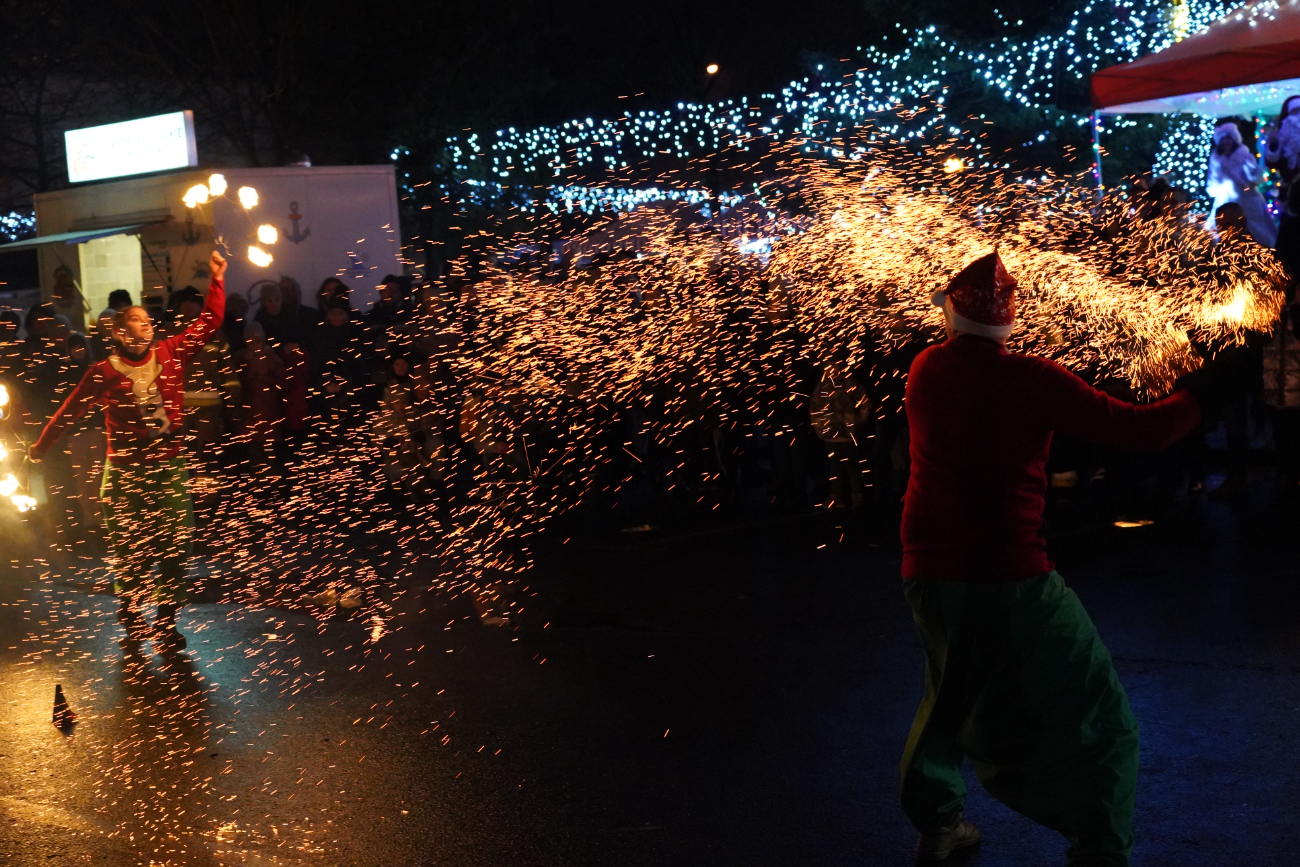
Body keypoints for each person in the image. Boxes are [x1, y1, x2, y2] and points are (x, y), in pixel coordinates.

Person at [898, 252, 1204, 864]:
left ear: (952, 314)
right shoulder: (1034, 379)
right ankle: (1101, 845)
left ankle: (939, 820)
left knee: (948, 691)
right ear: (1010, 317)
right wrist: (1199, 394)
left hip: (928, 570)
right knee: (1101, 710)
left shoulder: (926, 368)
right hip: (1010, 575)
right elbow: (1142, 431)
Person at [28, 250, 228, 650]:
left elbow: (210, 323)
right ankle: (133, 619)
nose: (146, 324)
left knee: (174, 544)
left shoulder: (172, 352)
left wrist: (217, 280)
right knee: (132, 552)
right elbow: (68, 413)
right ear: (120, 333)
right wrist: (38, 449)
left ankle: (167, 623)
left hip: (168, 469)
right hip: (124, 474)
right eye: (136, 320)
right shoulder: (101, 372)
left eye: (148, 319)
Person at [1206, 121, 1276, 247]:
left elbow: (1256, 176)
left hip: (1247, 198)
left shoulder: (1244, 155)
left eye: (1229, 138)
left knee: (1254, 228)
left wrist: (1249, 169)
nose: (1226, 142)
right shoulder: (1215, 159)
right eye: (1223, 139)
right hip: (1224, 199)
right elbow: (1212, 183)